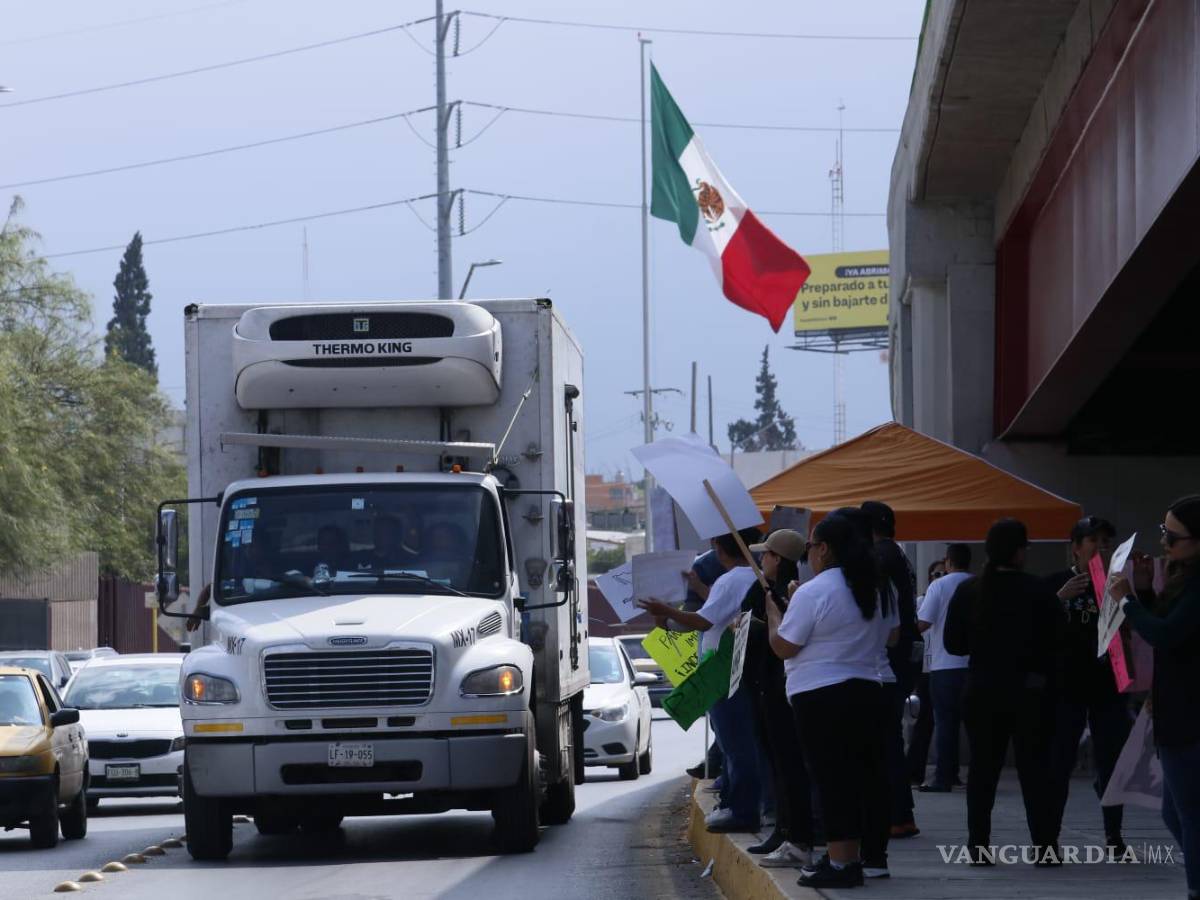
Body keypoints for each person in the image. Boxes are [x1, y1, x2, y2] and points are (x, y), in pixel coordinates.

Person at [766, 512, 897, 889]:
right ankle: (850, 857)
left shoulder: (815, 590)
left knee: (831, 780)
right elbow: (891, 636)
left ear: (823, 548)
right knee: (856, 779)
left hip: (821, 696)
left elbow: (784, 646)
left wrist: (776, 613)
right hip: (867, 688)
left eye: (809, 547)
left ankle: (842, 864)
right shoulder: (877, 586)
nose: (808, 555)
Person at [943, 518, 1058, 865]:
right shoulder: (1038, 591)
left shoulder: (970, 591)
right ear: (1020, 551)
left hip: (981, 691)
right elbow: (1056, 644)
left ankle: (978, 845)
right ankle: (1045, 848)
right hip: (1029, 694)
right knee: (1035, 773)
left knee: (982, 771)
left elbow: (953, 644)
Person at [639, 527, 764, 832]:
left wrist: (664, 609)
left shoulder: (731, 578)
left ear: (719, 549)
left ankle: (741, 809)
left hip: (721, 670)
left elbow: (704, 620)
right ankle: (738, 804)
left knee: (733, 742)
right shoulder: (752, 576)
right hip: (737, 667)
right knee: (738, 741)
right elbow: (718, 608)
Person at [1110, 496, 1200, 899]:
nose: (1164, 543)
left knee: (1189, 815)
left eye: (1173, 537)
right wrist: (1144, 593)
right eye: (1164, 532)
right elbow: (1164, 626)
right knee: (1176, 812)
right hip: (1176, 710)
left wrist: (1128, 600)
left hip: (1190, 715)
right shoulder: (1184, 576)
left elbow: (1167, 634)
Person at [1043, 517, 1133, 854]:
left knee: (1112, 762)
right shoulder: (1056, 583)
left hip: (1107, 689)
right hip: (1066, 689)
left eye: (1106, 542)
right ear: (1076, 546)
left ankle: (1114, 835)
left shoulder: (1117, 587)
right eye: (1093, 541)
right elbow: (1035, 631)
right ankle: (1049, 837)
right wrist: (1058, 599)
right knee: (1059, 763)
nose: (1100, 547)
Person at [741, 529, 816, 867]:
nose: (761, 559)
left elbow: (784, 638)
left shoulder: (792, 593)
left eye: (767, 554)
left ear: (779, 559)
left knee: (789, 764)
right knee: (776, 761)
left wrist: (758, 624)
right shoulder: (762, 590)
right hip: (764, 683)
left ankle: (796, 833)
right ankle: (783, 829)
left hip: (784, 687)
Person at [860, 500, 920, 839]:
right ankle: (899, 813)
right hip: (902, 656)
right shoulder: (896, 554)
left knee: (885, 740)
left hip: (889, 660)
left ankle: (896, 814)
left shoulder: (880, 558)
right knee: (889, 737)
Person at [916, 543, 972, 792]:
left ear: (948, 562)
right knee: (974, 724)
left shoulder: (939, 585)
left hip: (945, 664)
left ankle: (943, 777)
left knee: (945, 722)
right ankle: (965, 774)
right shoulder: (978, 584)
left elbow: (924, 623)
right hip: (974, 665)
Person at [682, 547, 728, 780]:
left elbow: (703, 618)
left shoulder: (731, 581)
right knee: (722, 725)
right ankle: (718, 770)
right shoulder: (726, 577)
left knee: (727, 727)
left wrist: (667, 615)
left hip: (723, 664)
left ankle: (717, 769)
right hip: (714, 662)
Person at [906, 560, 944, 785]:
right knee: (924, 721)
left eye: (942, 573)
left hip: (942, 664)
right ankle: (915, 771)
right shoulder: (921, 601)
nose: (938, 577)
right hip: (926, 667)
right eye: (935, 573)